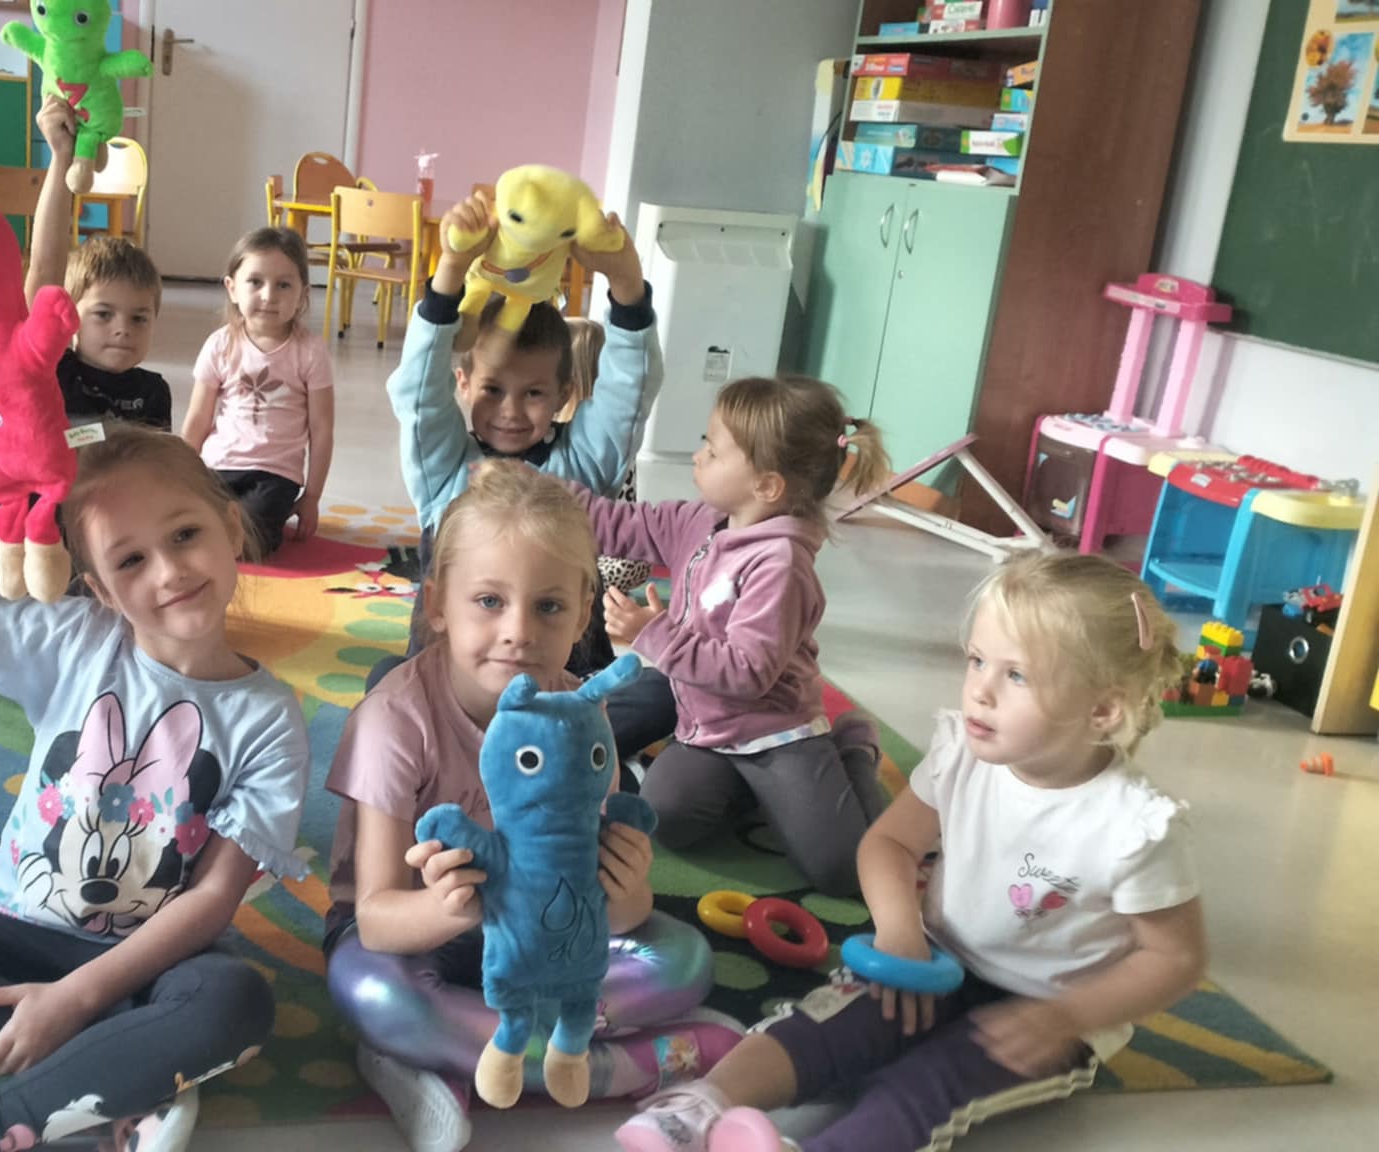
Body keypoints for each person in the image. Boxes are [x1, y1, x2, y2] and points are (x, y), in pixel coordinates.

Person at [0, 410, 310, 1152]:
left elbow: (213, 899)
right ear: (100, 590)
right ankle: (125, 1073)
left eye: (185, 535)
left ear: (232, 528)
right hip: (5, 929)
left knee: (234, 1001)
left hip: (139, 963)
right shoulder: (74, 639)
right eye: (131, 560)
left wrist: (79, 995)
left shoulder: (270, 720)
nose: (170, 572)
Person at [617, 551, 1206, 1152]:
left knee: (925, 1087)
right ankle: (697, 1108)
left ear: (1102, 710)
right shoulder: (964, 754)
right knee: (821, 1025)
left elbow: (1175, 958)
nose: (980, 691)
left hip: (1042, 1011)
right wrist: (900, 932)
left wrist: (1066, 1018)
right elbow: (891, 843)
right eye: (977, 660)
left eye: (1017, 676)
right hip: (933, 958)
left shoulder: (1135, 826)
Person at [326, 461, 736, 1152]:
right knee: (377, 993)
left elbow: (616, 914)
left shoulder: (581, 715)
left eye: (548, 606)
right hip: (415, 940)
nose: (518, 631)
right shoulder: (395, 721)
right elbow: (375, 918)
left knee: (683, 958)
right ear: (437, 605)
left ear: (582, 610)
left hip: (543, 935)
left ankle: (466, 1057)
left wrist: (626, 890)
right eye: (489, 600)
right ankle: (626, 1062)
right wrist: (452, 908)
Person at [373, 189, 666, 759]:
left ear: (563, 392)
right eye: (492, 389)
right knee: (387, 682)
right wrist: (451, 270)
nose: (510, 411)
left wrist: (626, 282)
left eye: (533, 393)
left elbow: (628, 394)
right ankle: (497, 749)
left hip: (563, 689)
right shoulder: (445, 469)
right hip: (454, 692)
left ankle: (536, 747)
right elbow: (417, 392)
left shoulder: (580, 467)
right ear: (462, 384)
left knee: (659, 693)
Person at [580, 376, 891, 895]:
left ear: (766, 487)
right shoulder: (701, 522)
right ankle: (755, 793)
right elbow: (618, 523)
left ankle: (852, 750)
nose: (698, 455)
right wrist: (538, 487)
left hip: (773, 732)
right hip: (705, 721)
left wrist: (654, 632)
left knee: (846, 870)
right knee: (667, 817)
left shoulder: (781, 564)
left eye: (713, 449)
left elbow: (747, 674)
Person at [0, 95, 173, 589]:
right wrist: (61, 159)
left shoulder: (153, 392)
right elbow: (45, 269)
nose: (122, 329)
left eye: (139, 318)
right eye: (104, 314)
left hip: (68, 532)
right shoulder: (46, 364)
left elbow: (147, 477)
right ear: (69, 318)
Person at [180, 227, 334, 556]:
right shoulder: (220, 344)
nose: (269, 295)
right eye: (255, 282)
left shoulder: (310, 351)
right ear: (232, 288)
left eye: (283, 285)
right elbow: (198, 418)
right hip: (218, 465)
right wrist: (179, 473)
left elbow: (322, 429)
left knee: (253, 532)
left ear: (303, 294)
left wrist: (312, 497)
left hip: (275, 474)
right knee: (193, 520)